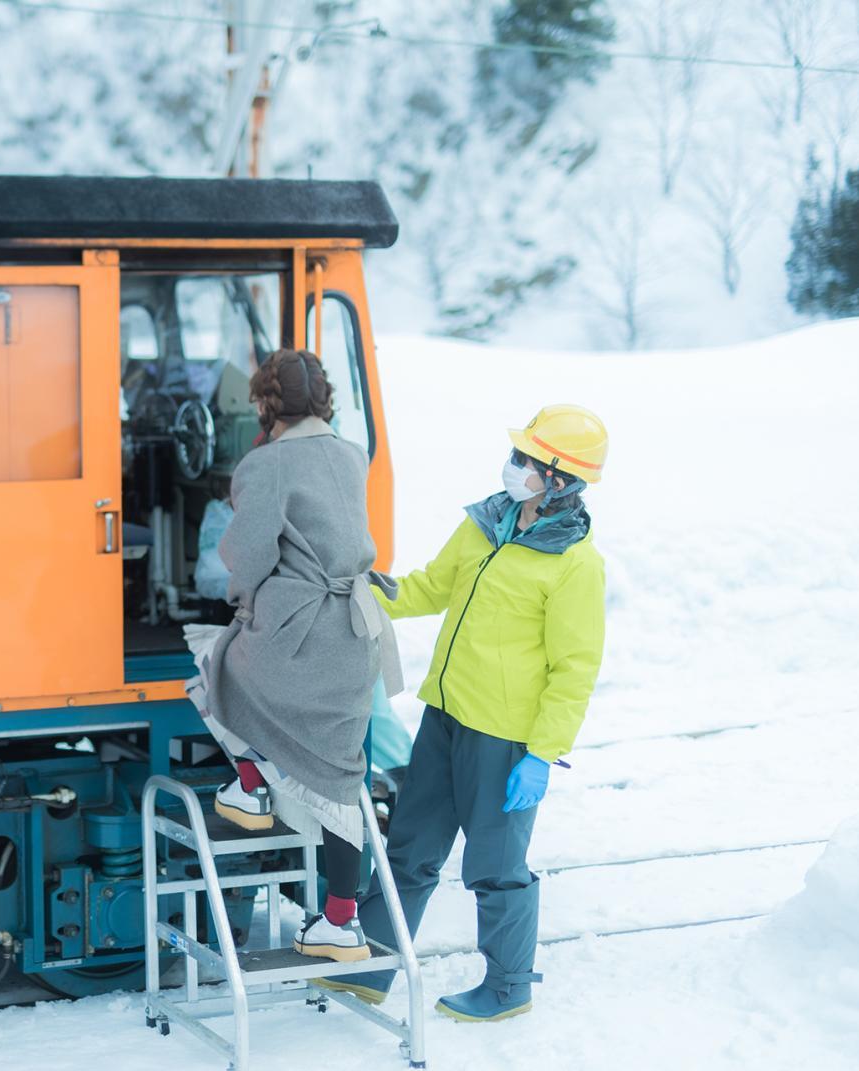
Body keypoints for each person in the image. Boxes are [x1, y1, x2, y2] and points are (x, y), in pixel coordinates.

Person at [318, 404, 608, 1022]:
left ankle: (508, 988)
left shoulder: (575, 565)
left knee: (496, 868)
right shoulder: (485, 524)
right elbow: (433, 586)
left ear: (558, 478)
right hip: (445, 715)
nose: (514, 466)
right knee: (410, 848)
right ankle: (371, 967)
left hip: (505, 738)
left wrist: (539, 754)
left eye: (528, 459)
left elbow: (574, 669)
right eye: (519, 454)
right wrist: (371, 595)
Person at [183, 349, 403, 963]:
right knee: (338, 778)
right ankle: (340, 923)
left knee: (214, 665)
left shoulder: (267, 463)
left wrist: (240, 600)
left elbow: (249, 555)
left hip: (299, 633)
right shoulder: (350, 453)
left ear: (263, 404)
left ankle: (250, 784)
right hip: (356, 633)